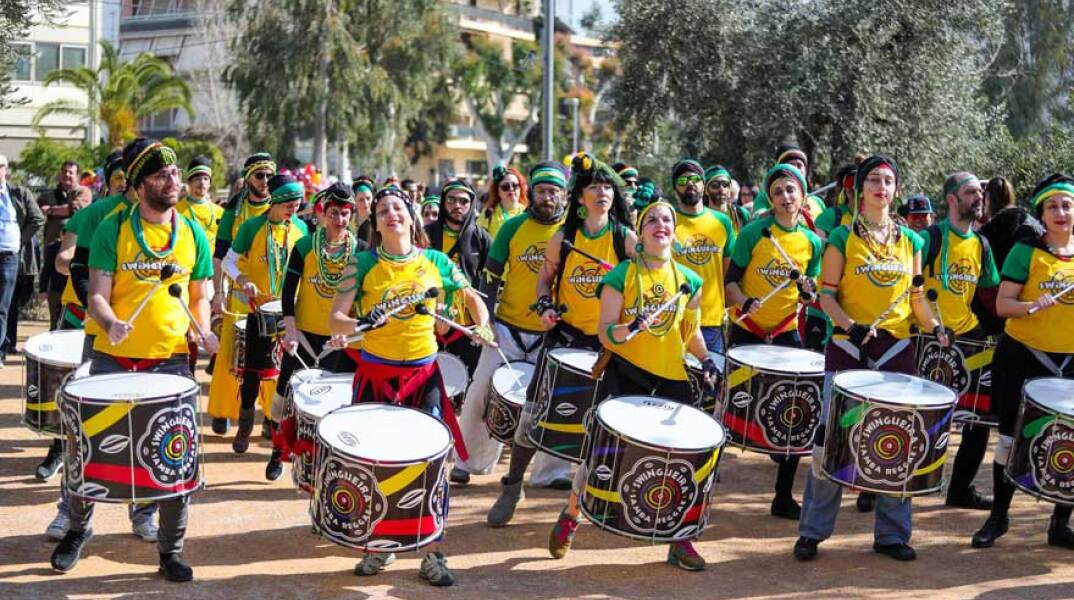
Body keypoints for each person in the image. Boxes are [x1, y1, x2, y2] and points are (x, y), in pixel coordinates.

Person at [50, 138, 217, 582]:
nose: (173, 180)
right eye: (162, 175)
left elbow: (200, 295)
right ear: (140, 185)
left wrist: (203, 328)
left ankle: (170, 552)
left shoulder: (193, 233)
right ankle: (77, 530)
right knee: (88, 450)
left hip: (169, 362)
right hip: (113, 359)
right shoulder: (113, 229)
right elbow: (97, 296)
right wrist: (109, 323)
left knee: (173, 459)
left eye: (175, 173)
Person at [329, 185, 494, 586]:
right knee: (377, 461)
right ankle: (380, 545)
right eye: (383, 210)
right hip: (376, 375)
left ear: (411, 215)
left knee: (432, 463)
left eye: (398, 208)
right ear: (376, 222)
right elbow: (336, 319)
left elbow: (473, 298)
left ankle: (433, 552)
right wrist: (361, 323)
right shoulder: (362, 263)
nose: (391, 214)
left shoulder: (435, 261)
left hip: (424, 376)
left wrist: (483, 324)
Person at [548, 200, 719, 571]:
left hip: (671, 376)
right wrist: (631, 327)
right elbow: (605, 334)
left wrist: (707, 361)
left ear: (674, 230)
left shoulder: (690, 281)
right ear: (640, 232)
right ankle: (572, 513)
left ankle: (680, 540)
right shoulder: (621, 276)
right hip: (626, 372)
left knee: (681, 461)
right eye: (651, 219)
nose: (660, 224)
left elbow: (691, 335)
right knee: (602, 453)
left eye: (667, 219)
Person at [795, 155, 948, 563]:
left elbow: (916, 299)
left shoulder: (912, 241)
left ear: (896, 190)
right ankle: (812, 532)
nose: (882, 187)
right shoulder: (841, 238)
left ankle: (892, 535)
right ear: (859, 189)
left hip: (896, 349)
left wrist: (935, 326)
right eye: (874, 180)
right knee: (831, 440)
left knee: (898, 438)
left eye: (888, 181)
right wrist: (851, 326)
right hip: (848, 346)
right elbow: (826, 296)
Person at [483, 154, 636, 525]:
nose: (602, 193)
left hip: (607, 346)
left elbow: (645, 281)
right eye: (593, 187)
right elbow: (543, 280)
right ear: (580, 198)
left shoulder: (624, 239)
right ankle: (512, 485)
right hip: (564, 338)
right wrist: (545, 305)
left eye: (606, 187)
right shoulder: (563, 238)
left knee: (605, 424)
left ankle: (593, 499)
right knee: (533, 414)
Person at [450, 161, 574, 490]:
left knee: (554, 399)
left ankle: (552, 471)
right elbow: (489, 278)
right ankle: (467, 461)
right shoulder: (512, 227)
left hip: (553, 333)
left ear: (564, 195)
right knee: (479, 390)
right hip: (506, 328)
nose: (547, 197)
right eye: (541, 191)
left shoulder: (573, 232)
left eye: (553, 191)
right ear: (531, 193)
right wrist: (487, 322)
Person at [971, 173, 1074, 551]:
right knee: (1009, 440)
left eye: (1067, 205)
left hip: (1070, 362)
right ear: (1041, 214)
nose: (1061, 212)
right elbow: (1002, 305)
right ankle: (999, 516)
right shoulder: (1025, 251)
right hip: (1023, 358)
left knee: (1070, 439)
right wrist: (1030, 306)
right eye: (1052, 206)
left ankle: (1060, 523)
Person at [725, 163, 822, 519]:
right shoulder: (754, 233)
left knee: (795, 411)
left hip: (785, 330)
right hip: (747, 329)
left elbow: (811, 295)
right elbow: (730, 284)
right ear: (770, 197)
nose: (785, 196)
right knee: (731, 407)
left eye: (791, 189)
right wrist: (743, 302)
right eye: (778, 191)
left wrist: (808, 293)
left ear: (802, 195)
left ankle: (782, 495)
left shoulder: (812, 241)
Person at [265, 182, 364, 480]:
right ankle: (277, 452)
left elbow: (362, 297)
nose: (340, 220)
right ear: (322, 212)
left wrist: (352, 333)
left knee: (336, 404)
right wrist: (291, 331)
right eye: (334, 213)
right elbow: (287, 293)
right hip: (304, 337)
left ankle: (328, 463)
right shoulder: (305, 246)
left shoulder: (360, 249)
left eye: (345, 214)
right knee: (285, 397)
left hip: (340, 341)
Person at [918, 173, 999, 512]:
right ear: (952, 199)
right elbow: (908, 287)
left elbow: (991, 293)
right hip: (928, 339)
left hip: (970, 339)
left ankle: (961, 489)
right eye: (970, 192)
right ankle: (884, 487)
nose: (978, 197)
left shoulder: (981, 244)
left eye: (980, 191)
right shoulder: (929, 237)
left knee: (978, 420)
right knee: (916, 414)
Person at [221, 174, 308, 453]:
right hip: (259, 311)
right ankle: (245, 425)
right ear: (276, 201)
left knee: (286, 374)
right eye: (289, 205)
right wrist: (243, 279)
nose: (294, 210)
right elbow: (227, 262)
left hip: (291, 313)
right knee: (252, 373)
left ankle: (274, 428)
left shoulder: (301, 229)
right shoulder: (252, 227)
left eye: (297, 205)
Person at [206, 153, 277, 435]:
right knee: (230, 356)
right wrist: (218, 293)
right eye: (260, 175)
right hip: (238, 293)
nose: (265, 181)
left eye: (269, 175)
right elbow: (220, 255)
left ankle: (271, 416)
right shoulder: (234, 211)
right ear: (248, 178)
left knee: (273, 357)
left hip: (271, 297)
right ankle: (224, 411)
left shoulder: (281, 207)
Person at [423, 179, 490, 375]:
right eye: (451, 200)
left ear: (472, 204)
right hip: (430, 321)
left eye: (463, 201)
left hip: (468, 325)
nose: (457, 205)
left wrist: (485, 324)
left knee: (466, 382)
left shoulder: (481, 237)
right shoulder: (425, 235)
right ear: (443, 202)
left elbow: (491, 280)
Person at [670, 159, 735, 353]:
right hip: (675, 320)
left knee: (713, 372)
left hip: (712, 321)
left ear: (704, 185)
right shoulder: (667, 221)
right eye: (683, 181)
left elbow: (728, 274)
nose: (690, 184)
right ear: (675, 188)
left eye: (695, 179)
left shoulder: (722, 222)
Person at [0, 155, 44, 369]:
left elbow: (38, 218)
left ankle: (2, 350)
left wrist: (19, 240)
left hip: (11, 256)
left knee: (4, 306)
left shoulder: (19, 193)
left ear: (5, 170)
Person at [37, 160, 80, 328]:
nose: (67, 175)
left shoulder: (83, 192)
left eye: (71, 172)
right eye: (64, 171)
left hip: (74, 253)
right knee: (54, 297)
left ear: (77, 176)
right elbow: (39, 207)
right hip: (53, 248)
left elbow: (76, 208)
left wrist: (51, 210)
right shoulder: (49, 195)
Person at [751, 144, 826, 224]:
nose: (796, 170)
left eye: (799, 165)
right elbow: (757, 218)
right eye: (791, 165)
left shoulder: (817, 202)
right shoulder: (765, 197)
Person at [176, 156, 224, 249]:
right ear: (189, 182)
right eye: (197, 179)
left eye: (206, 179)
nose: (202, 183)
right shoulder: (177, 210)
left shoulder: (220, 212)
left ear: (209, 183)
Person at [478, 166, 528, 239]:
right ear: (497, 191)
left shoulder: (528, 213)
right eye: (505, 187)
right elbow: (478, 239)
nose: (511, 189)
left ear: (520, 188)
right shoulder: (488, 213)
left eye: (515, 185)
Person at [704, 165, 750, 233]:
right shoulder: (700, 217)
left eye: (725, 184)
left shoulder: (742, 214)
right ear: (706, 190)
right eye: (715, 185)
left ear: (730, 188)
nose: (721, 189)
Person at [352, 176, 375, 244]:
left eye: (368, 198)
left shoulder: (378, 221)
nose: (366, 203)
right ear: (355, 201)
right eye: (361, 200)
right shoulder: (349, 220)